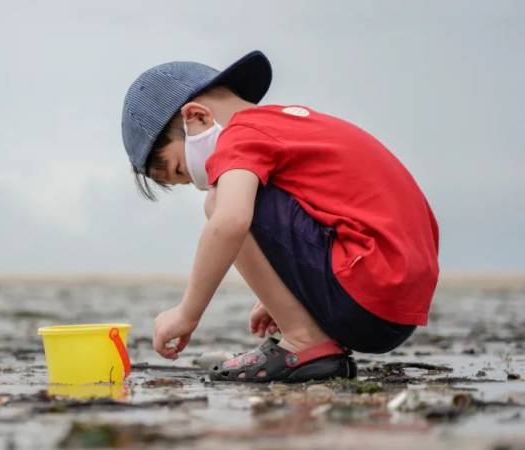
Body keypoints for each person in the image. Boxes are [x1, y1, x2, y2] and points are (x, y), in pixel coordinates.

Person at [119, 50, 439, 382]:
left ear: (197, 118)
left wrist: (186, 313)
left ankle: (304, 340)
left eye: (181, 170)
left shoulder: (240, 136)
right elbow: (335, 211)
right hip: (397, 298)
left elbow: (229, 222)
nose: (197, 184)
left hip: (366, 291)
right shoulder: (288, 125)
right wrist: (290, 293)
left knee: (220, 202)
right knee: (234, 196)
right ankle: (304, 327)